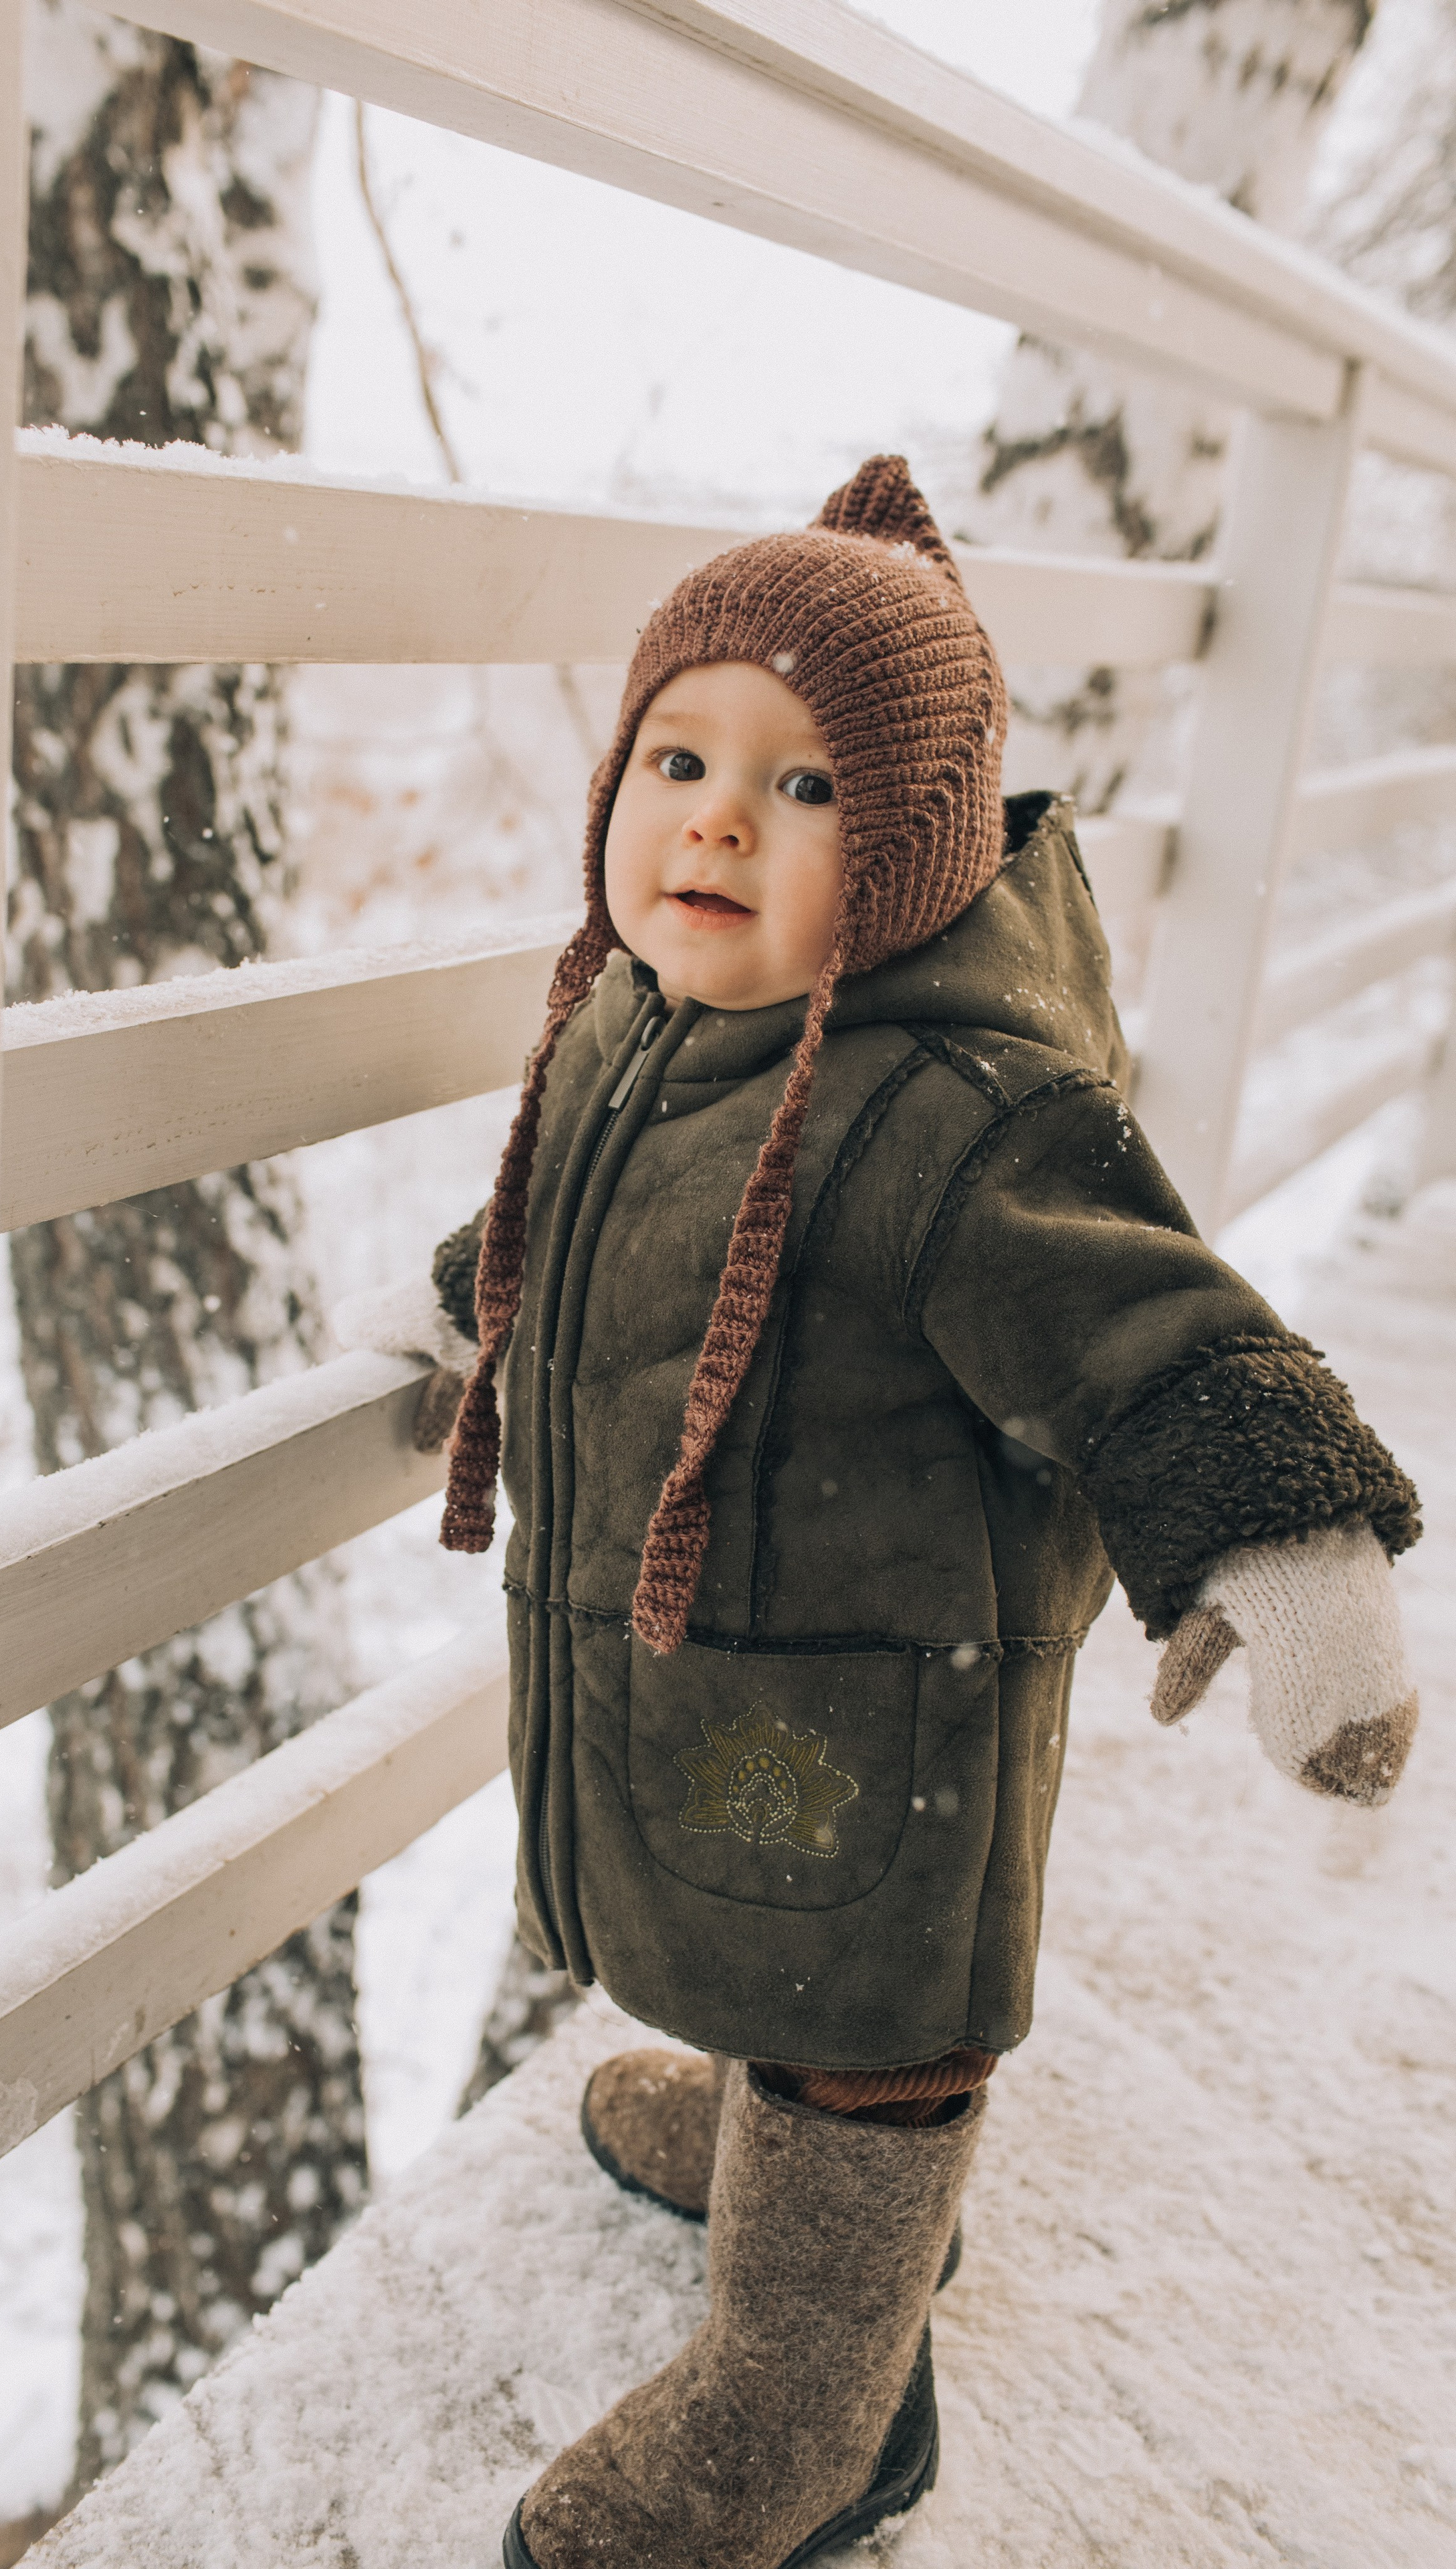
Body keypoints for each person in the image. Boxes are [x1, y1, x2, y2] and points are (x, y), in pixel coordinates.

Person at [335, 458, 1421, 2569]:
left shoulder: (958, 1119)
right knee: (782, 1963)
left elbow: (1157, 1332)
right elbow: (582, 1217)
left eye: (807, 786)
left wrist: (1295, 1551)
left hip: (880, 1703)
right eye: (680, 759)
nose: (718, 822)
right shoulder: (640, 1020)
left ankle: (808, 2417)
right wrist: (466, 1300)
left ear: (917, 848)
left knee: (874, 2032)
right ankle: (809, 2199)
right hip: (730, 1673)